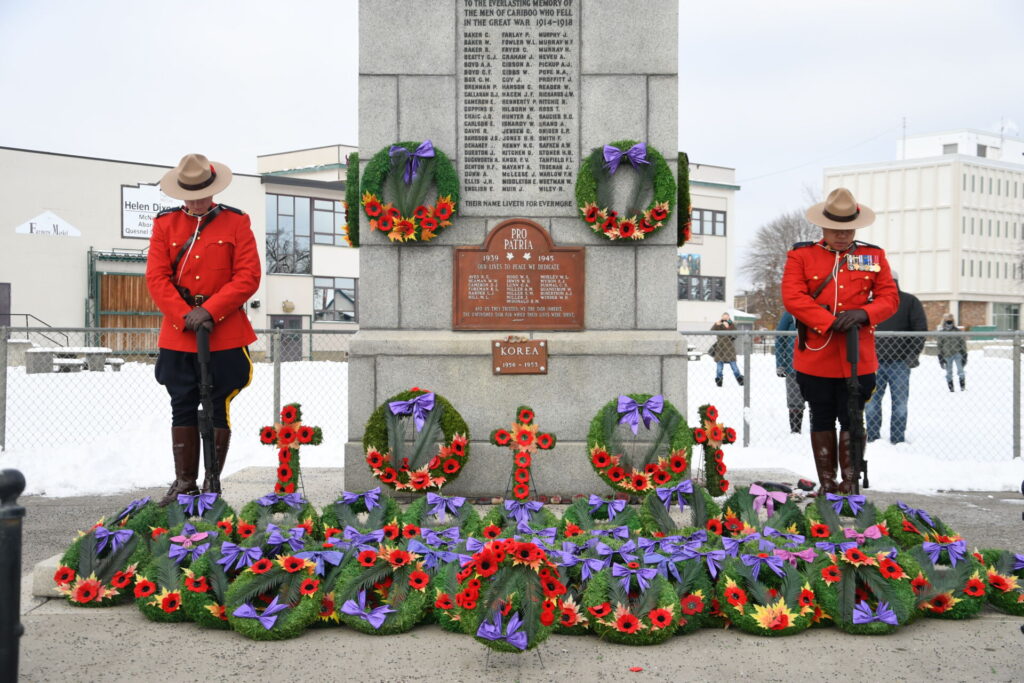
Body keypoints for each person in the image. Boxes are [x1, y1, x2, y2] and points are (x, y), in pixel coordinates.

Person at [146, 153, 261, 506]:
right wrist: (186, 315)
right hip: (180, 334)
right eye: (190, 195)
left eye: (202, 194)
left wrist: (210, 310)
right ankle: (185, 482)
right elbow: (156, 277)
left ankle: (212, 481)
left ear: (213, 189)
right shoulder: (165, 225)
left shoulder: (236, 223)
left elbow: (248, 276)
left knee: (216, 403)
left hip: (224, 331)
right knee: (182, 402)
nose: (196, 202)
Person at [781, 187, 899, 494]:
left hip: (857, 356)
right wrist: (829, 322)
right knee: (820, 416)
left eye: (848, 230)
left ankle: (850, 483)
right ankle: (828, 484)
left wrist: (864, 313)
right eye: (836, 230)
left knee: (852, 418)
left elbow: (889, 297)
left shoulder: (872, 256)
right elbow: (793, 297)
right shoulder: (801, 255)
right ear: (823, 226)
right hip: (816, 355)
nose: (843, 236)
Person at [864, 274, 927, 443]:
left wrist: (912, 354)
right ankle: (872, 438)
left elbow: (920, 329)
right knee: (871, 404)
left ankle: (898, 440)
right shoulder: (870, 303)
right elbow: (859, 330)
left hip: (900, 362)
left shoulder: (909, 302)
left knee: (900, 404)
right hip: (873, 363)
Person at [774, 311, 804, 433]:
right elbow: (780, 337)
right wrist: (781, 364)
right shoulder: (790, 314)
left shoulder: (819, 309)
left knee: (818, 401)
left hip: (816, 366)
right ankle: (795, 431)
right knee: (795, 401)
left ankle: (817, 431)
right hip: (793, 365)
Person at [710, 312, 743, 387]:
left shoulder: (731, 325)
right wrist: (716, 324)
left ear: (729, 318)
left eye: (726, 318)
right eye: (723, 318)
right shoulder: (719, 326)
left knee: (735, 369)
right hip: (720, 350)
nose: (725, 320)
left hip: (730, 351)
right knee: (719, 370)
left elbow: (735, 335)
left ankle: (740, 380)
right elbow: (711, 331)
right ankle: (719, 381)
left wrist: (728, 327)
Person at [937, 313, 968, 392]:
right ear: (944, 321)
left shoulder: (957, 331)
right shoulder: (941, 333)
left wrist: (964, 354)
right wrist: (940, 356)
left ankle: (962, 386)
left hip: (957, 353)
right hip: (946, 354)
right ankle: (951, 388)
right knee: (949, 372)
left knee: (960, 370)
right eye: (947, 321)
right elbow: (939, 345)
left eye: (950, 321)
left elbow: (962, 343)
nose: (949, 323)